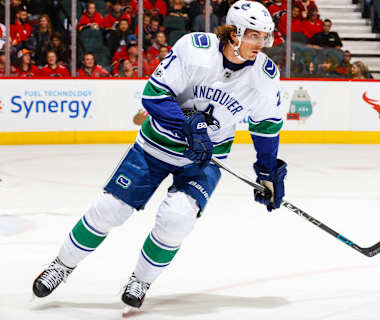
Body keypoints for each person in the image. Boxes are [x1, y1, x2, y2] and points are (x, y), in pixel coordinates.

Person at [32, 0, 286, 309]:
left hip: (204, 158)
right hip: (157, 146)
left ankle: (141, 280)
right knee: (109, 210)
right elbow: (153, 95)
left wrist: (267, 172)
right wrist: (187, 124)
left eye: (265, 36)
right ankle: (61, 265)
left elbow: (266, 127)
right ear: (233, 33)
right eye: (254, 35)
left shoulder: (264, 76)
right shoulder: (195, 49)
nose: (261, 44)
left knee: (177, 220)